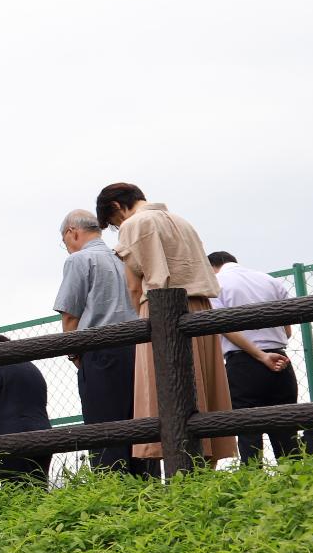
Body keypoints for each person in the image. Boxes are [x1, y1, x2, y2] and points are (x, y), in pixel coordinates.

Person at [95, 183, 235, 464]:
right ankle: (208, 476)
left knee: (165, 400)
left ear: (115, 207)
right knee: (205, 395)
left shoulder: (134, 223)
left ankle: (180, 481)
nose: (116, 225)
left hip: (161, 312)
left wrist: (143, 323)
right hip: (202, 310)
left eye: (112, 221)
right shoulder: (182, 221)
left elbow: (135, 286)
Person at [53, 209, 154, 478]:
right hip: (140, 351)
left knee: (105, 431)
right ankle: (151, 491)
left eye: (64, 242)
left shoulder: (79, 260)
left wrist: (76, 355)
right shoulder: (123, 256)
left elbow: (70, 315)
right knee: (143, 426)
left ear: (72, 232)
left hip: (100, 352)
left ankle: (114, 497)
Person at [208, 252, 299, 463]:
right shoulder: (269, 280)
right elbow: (287, 331)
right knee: (286, 430)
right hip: (281, 359)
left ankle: (253, 484)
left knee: (248, 430)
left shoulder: (215, 283)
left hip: (243, 363)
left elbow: (224, 326)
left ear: (211, 267)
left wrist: (258, 354)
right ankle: (295, 484)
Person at [0, 334, 53, 486]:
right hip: (44, 435)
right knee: (39, 487)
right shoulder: (32, 367)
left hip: (11, 438)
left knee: (15, 489)